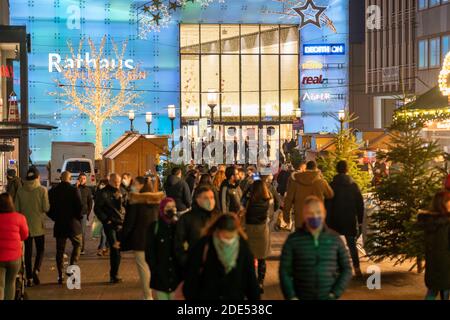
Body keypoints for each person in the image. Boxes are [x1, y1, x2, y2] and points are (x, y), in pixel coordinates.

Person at [279, 196, 352, 300]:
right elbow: (284, 271)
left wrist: (335, 293)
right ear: (304, 215)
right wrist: (291, 296)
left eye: (318, 212)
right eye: (310, 213)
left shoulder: (335, 240)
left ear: (324, 213)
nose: (315, 216)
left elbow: (346, 269)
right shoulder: (293, 241)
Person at [183, 214, 260, 300]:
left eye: (231, 237)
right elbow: (191, 277)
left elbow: (251, 281)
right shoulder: (204, 245)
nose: (228, 240)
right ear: (217, 231)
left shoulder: (243, 248)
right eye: (225, 236)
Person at [122, 176, 164, 300]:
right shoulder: (158, 201)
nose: (132, 186)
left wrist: (121, 238)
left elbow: (129, 223)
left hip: (140, 240)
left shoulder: (136, 202)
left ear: (141, 186)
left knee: (143, 269)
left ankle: (148, 296)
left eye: (134, 183)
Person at [326, 161, 364, 277]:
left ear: (337, 170)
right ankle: (357, 269)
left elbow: (327, 203)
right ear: (347, 170)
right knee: (352, 245)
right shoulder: (354, 185)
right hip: (349, 219)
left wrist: (326, 220)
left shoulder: (331, 185)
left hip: (334, 220)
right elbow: (360, 204)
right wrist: (360, 221)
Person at [15, 167, 50, 287]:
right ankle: (36, 270)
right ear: (37, 177)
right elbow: (46, 208)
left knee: (27, 253)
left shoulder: (20, 190)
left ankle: (29, 277)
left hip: (24, 227)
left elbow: (16, 210)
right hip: (38, 226)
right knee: (40, 250)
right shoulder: (42, 190)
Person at [47, 171, 83, 284]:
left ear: (60, 178)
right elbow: (79, 206)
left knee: (60, 250)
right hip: (73, 224)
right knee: (78, 244)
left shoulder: (52, 191)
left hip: (60, 224)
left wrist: (55, 217)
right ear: (70, 178)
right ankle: (72, 267)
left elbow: (48, 209)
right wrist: (78, 217)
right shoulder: (74, 190)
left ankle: (60, 274)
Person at [175, 185, 220, 268]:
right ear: (197, 199)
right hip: (194, 266)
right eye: (206, 198)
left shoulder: (217, 217)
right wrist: (187, 262)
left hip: (214, 267)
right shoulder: (187, 218)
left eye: (212, 197)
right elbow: (178, 244)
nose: (210, 201)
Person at [146, 198, 182, 300]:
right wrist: (155, 269)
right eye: (168, 207)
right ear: (162, 209)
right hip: (160, 280)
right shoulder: (154, 227)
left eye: (173, 207)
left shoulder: (179, 227)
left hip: (176, 279)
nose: (171, 209)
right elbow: (149, 253)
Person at [94, 173, 126, 283]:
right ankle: (114, 275)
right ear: (110, 181)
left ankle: (115, 273)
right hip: (110, 225)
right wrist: (106, 220)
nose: (117, 184)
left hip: (120, 224)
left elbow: (126, 206)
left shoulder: (122, 191)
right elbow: (97, 209)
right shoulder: (103, 193)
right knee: (115, 248)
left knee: (118, 250)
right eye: (115, 182)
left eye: (119, 182)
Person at [418, 191, 450, 300]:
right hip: (445, 266)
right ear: (443, 204)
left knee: (432, 291)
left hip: (433, 264)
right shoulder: (445, 223)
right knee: (444, 292)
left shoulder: (429, 220)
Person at [283, 161, 334, 228]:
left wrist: (286, 217)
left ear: (306, 168)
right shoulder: (321, 182)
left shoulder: (296, 181)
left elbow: (288, 200)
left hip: (300, 219)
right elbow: (330, 194)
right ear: (316, 169)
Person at [244, 180, 273, 294]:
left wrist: (247, 190)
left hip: (249, 230)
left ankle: (249, 283)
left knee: (249, 258)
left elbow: (241, 206)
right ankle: (260, 283)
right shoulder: (268, 200)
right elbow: (271, 214)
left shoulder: (248, 200)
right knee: (262, 259)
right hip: (262, 230)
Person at [0, 193, 28, 300]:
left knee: (0, 285)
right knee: (10, 283)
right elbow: (25, 235)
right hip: (14, 257)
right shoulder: (20, 218)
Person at [77, 173, 93, 255]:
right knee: (76, 232)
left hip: (83, 213)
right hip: (75, 214)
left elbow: (90, 202)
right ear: (78, 179)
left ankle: (82, 248)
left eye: (84, 178)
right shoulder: (74, 188)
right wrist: (76, 186)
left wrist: (88, 213)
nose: (82, 180)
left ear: (86, 179)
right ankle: (77, 247)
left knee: (82, 232)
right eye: (81, 178)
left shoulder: (87, 189)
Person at [95, 179, 109, 256]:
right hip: (100, 216)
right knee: (103, 233)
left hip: (106, 216)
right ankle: (103, 248)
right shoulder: (98, 192)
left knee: (104, 233)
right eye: (101, 183)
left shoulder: (107, 193)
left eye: (103, 184)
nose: (102, 185)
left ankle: (102, 249)